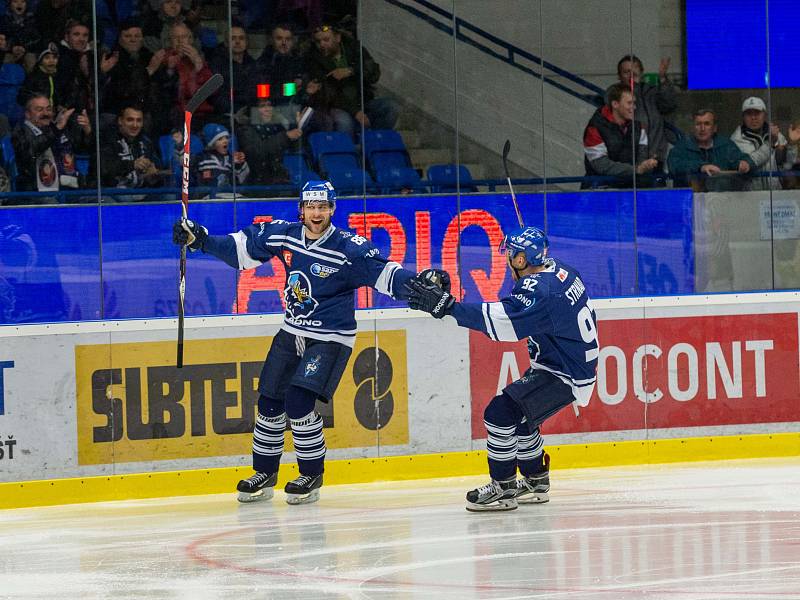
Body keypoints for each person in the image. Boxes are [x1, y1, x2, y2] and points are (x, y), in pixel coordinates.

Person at [171, 180, 422, 505]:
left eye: (323, 207)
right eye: (311, 207)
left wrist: (419, 285)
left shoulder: (349, 248)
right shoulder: (284, 234)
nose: (317, 213)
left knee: (299, 403)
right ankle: (265, 473)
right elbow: (240, 251)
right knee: (268, 404)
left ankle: (311, 473)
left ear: (332, 209)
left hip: (331, 338)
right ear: (301, 209)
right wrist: (199, 239)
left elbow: (386, 275)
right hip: (292, 331)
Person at [405, 226, 599, 512]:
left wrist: (447, 306)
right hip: (565, 363)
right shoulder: (561, 271)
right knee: (522, 420)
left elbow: (502, 324)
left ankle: (504, 487)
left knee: (499, 414)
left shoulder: (541, 290)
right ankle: (536, 480)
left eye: (511, 254)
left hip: (564, 373)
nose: (508, 260)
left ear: (521, 260)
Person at [305, 24, 399, 138]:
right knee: (344, 122)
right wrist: (355, 112)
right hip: (338, 106)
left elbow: (374, 73)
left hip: (363, 101)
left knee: (391, 107)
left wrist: (351, 71)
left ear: (338, 38)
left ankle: (375, 142)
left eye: (326, 40)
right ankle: (349, 152)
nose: (322, 45)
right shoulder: (314, 59)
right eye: (318, 41)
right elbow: (328, 93)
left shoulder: (354, 48)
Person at [11, 93, 92, 198]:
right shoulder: (20, 131)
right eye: (39, 110)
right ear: (28, 114)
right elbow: (32, 150)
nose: (45, 113)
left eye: (48, 109)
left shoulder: (56, 129)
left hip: (70, 189)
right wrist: (57, 129)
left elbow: (83, 150)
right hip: (36, 194)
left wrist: (87, 131)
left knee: (103, 202)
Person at [583, 82, 658, 188]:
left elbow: (642, 158)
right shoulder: (595, 128)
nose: (634, 107)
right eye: (629, 103)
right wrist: (635, 170)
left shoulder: (639, 128)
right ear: (615, 104)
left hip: (631, 187)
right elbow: (600, 164)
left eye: (634, 103)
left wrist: (647, 165)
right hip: (600, 189)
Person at [610, 54, 678, 168]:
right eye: (626, 72)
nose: (631, 75)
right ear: (619, 76)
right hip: (630, 160)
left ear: (641, 73)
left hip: (656, 157)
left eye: (634, 71)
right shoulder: (614, 93)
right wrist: (633, 86)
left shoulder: (651, 91)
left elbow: (669, 104)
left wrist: (662, 79)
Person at [668, 108, 754, 192]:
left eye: (707, 124)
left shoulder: (725, 145)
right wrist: (701, 167)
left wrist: (745, 163)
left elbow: (742, 159)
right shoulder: (682, 146)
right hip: (690, 200)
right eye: (698, 124)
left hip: (722, 199)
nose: (702, 128)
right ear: (693, 127)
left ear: (714, 128)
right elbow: (674, 165)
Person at [730, 97, 796, 191]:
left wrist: (792, 143)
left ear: (764, 115)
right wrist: (770, 143)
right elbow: (751, 162)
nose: (753, 118)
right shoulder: (736, 139)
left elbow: (788, 164)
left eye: (757, 113)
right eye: (749, 114)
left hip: (775, 194)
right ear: (743, 117)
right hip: (749, 196)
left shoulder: (776, 134)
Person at [99, 105, 166, 194]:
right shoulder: (106, 139)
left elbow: (158, 171)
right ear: (120, 121)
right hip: (112, 193)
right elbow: (104, 169)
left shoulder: (146, 142)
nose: (135, 125)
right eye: (130, 120)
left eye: (138, 120)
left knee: (168, 197)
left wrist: (153, 175)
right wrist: (132, 165)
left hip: (141, 192)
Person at [237, 97, 301, 187]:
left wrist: (296, 130)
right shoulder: (245, 130)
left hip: (278, 178)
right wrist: (285, 136)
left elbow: (294, 149)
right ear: (253, 111)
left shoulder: (277, 127)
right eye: (262, 106)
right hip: (257, 181)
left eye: (269, 105)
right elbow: (258, 151)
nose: (267, 109)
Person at [254, 23, 306, 123]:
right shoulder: (263, 63)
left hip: (296, 106)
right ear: (271, 40)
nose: (284, 42)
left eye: (288, 39)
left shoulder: (299, 61)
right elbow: (263, 94)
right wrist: (292, 87)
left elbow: (301, 88)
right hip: (271, 108)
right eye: (279, 38)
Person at [193, 123, 250, 189]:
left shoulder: (231, 158)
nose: (225, 141)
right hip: (208, 196)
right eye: (220, 139)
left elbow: (243, 179)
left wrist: (239, 165)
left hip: (229, 196)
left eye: (227, 138)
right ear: (212, 144)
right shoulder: (201, 159)